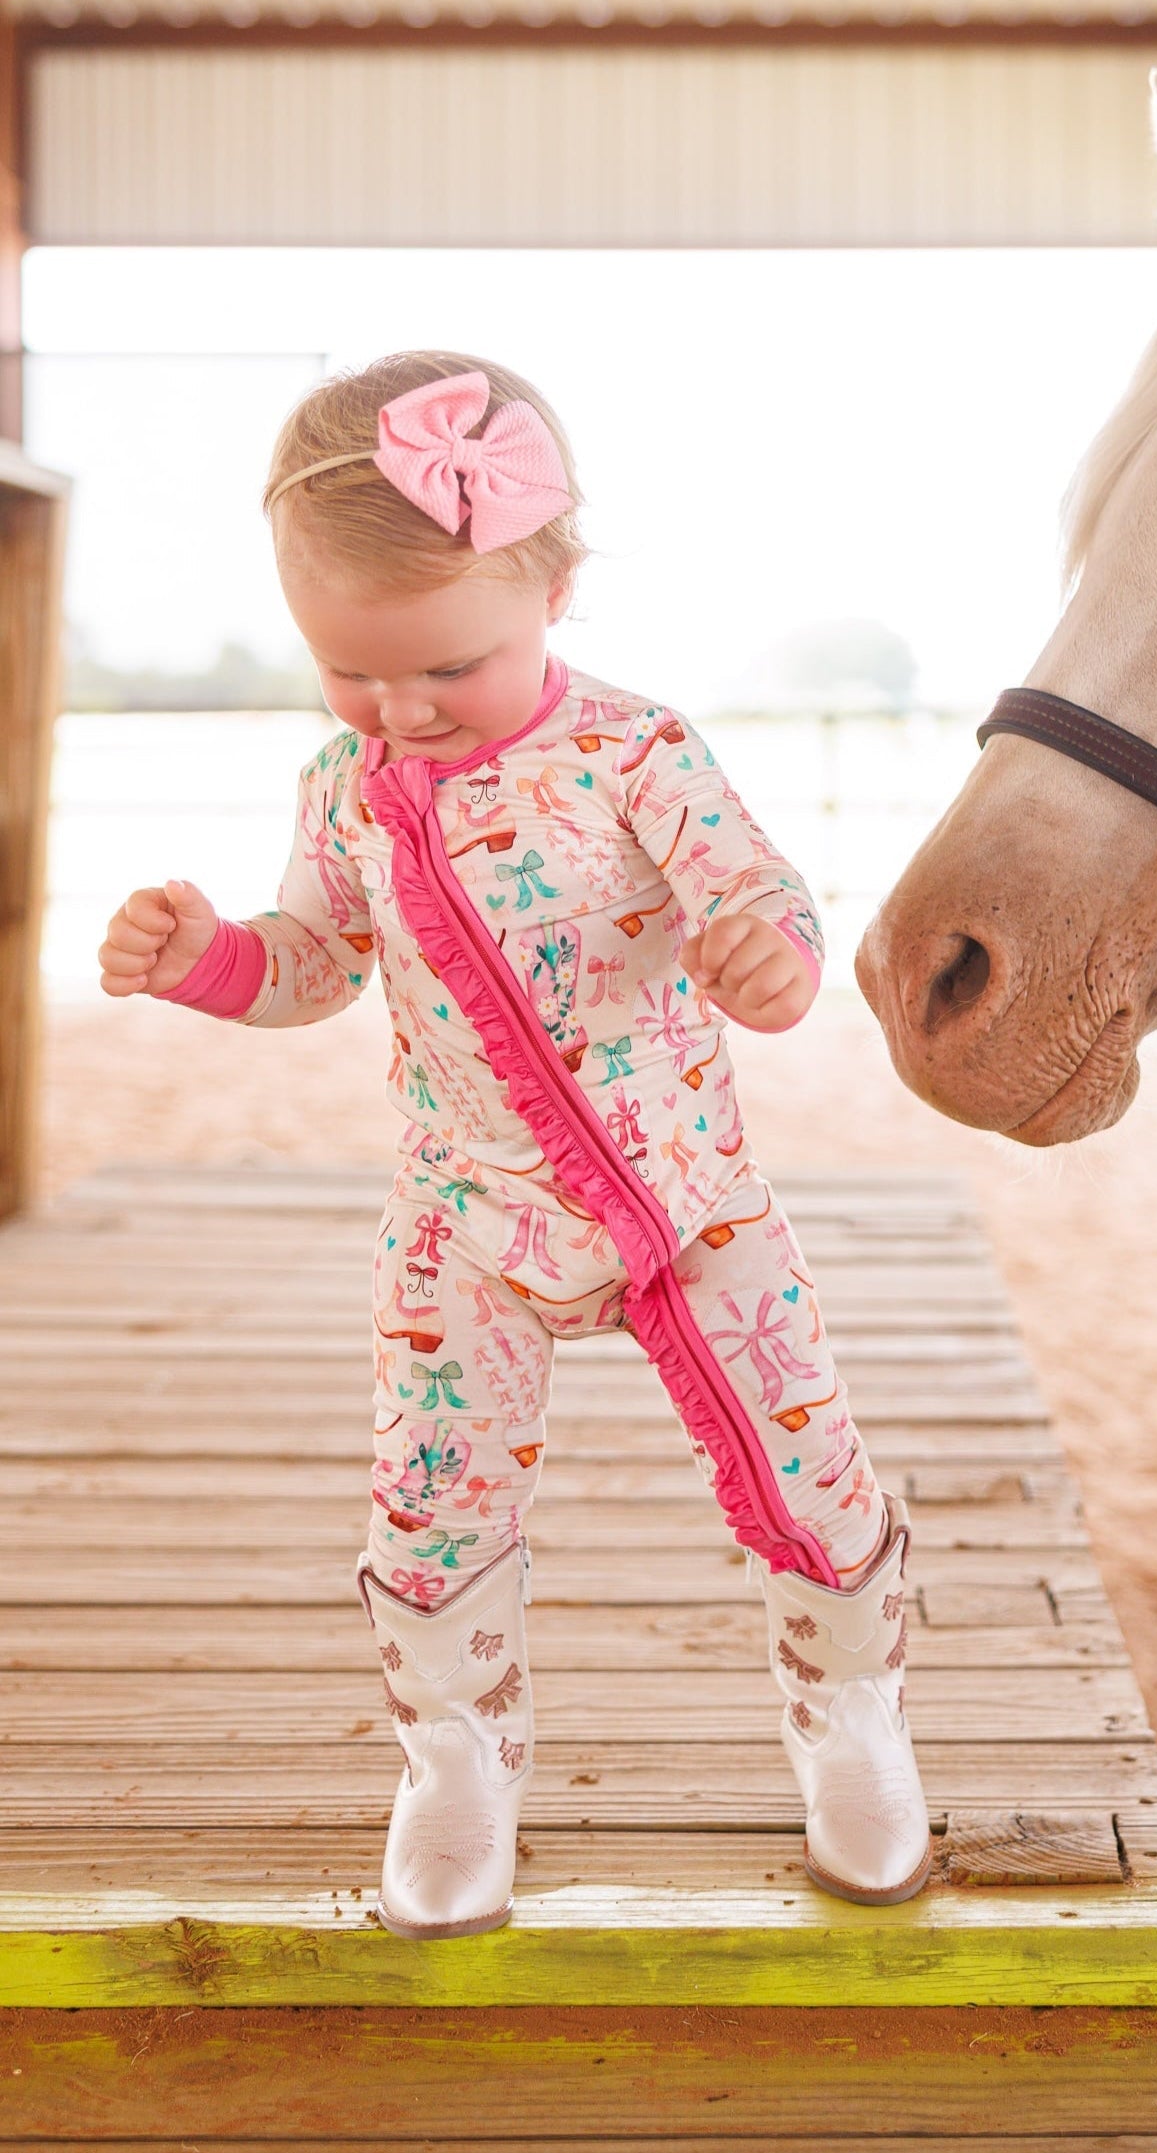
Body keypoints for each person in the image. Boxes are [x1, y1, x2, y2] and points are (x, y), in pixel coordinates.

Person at [96, 354, 932, 1936]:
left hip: (686, 1199)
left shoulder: (636, 752)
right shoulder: (345, 789)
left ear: (555, 585)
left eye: (448, 668)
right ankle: (457, 1753)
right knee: (430, 1496)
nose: (402, 712)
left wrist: (767, 954)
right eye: (351, 673)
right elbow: (317, 959)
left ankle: (850, 1714)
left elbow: (754, 887)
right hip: (465, 1218)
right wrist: (213, 957)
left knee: (806, 1459)